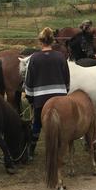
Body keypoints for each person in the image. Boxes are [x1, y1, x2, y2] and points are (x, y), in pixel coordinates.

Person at [24, 26, 70, 157]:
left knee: (37, 124)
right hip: (60, 98)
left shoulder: (34, 58)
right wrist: (64, 92)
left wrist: (30, 98)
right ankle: (60, 150)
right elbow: (67, 79)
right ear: (52, 41)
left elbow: (29, 81)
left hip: (40, 99)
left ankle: (31, 151)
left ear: (40, 41)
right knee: (61, 124)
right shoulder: (61, 57)